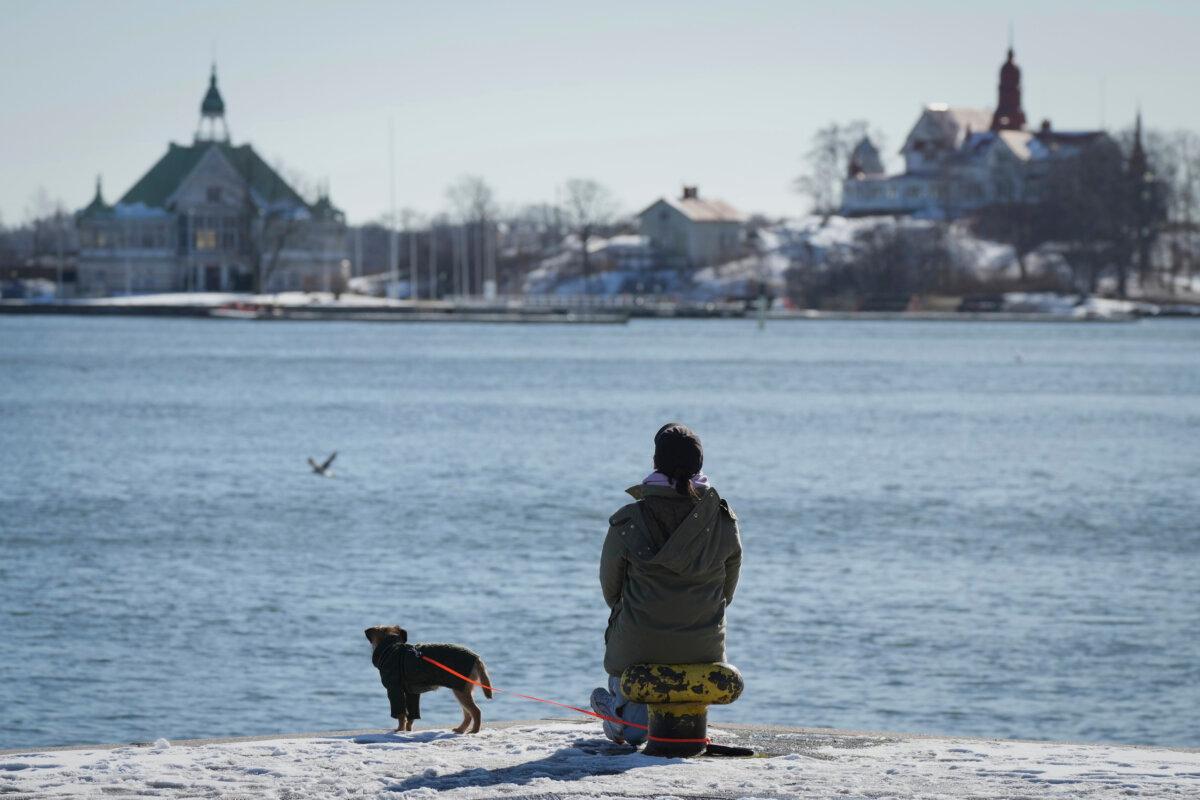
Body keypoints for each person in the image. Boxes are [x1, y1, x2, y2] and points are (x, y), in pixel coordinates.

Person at [590, 423, 742, 745]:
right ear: (699, 464)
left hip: (635, 651)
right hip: (703, 651)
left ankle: (619, 718)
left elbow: (611, 591)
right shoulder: (724, 522)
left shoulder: (628, 521)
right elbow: (726, 594)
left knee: (634, 730)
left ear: (655, 462)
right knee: (670, 711)